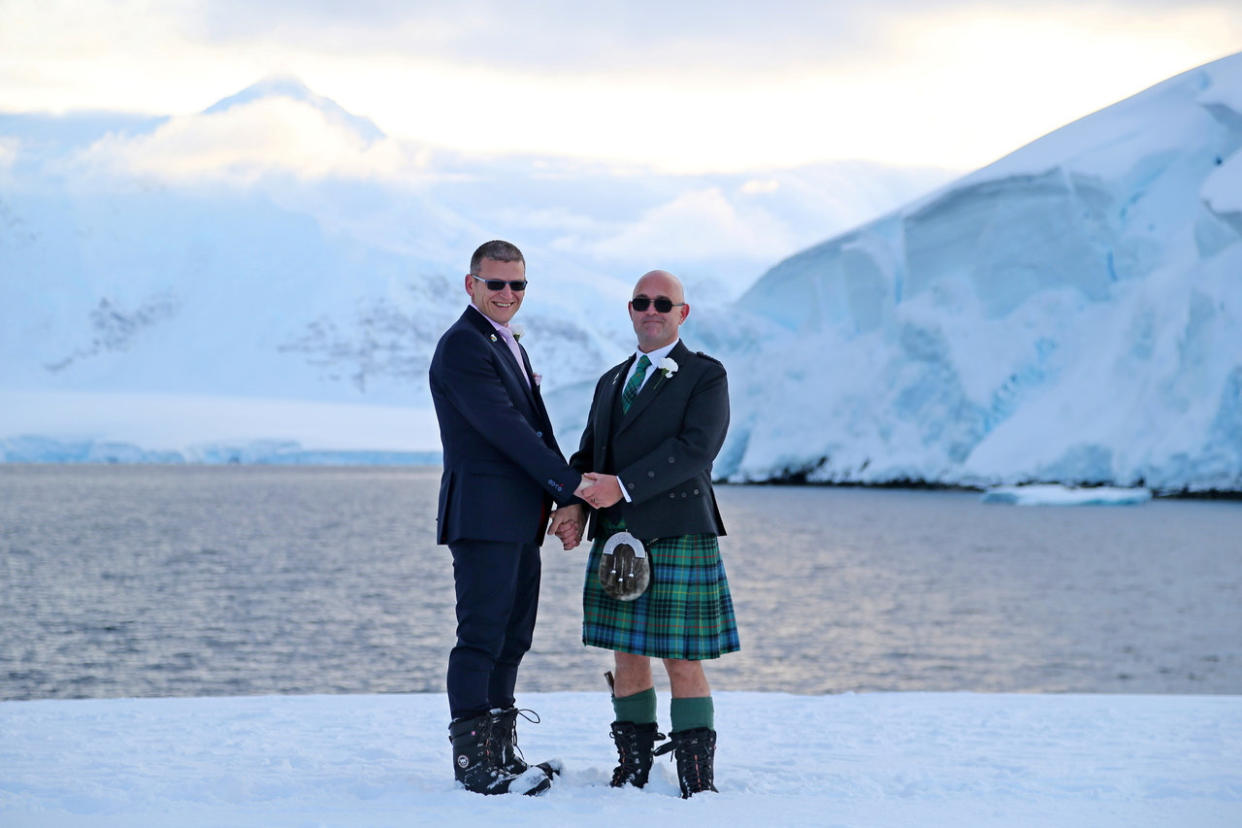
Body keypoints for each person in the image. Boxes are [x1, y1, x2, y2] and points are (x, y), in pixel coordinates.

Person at [551, 269, 740, 798]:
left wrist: (625, 487)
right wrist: (573, 503)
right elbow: (590, 455)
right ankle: (632, 769)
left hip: (677, 529)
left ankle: (696, 782)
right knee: (626, 654)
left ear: (682, 313)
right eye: (641, 302)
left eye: (663, 302)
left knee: (682, 656)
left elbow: (696, 449)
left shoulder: (705, 375)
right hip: (618, 536)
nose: (651, 310)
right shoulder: (612, 380)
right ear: (630, 310)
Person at [428, 240, 589, 796]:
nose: (506, 294)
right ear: (470, 284)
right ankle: (475, 766)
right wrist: (575, 487)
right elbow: (505, 430)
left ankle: (501, 755)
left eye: (517, 285)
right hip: (483, 516)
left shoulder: (504, 343)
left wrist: (564, 499)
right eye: (495, 283)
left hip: (518, 518)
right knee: (480, 637)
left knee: (512, 638)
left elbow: (534, 434)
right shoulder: (463, 346)